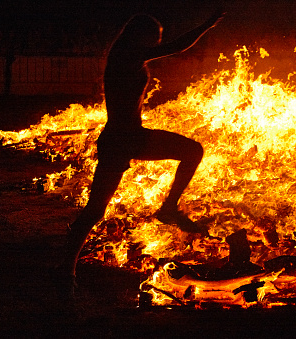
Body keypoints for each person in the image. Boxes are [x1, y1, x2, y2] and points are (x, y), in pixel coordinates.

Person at [52, 11, 224, 301]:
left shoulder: (125, 53)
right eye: (153, 38)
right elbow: (176, 47)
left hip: (127, 138)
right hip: (124, 139)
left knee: (191, 151)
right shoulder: (126, 54)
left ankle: (66, 272)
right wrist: (206, 24)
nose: (156, 43)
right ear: (139, 35)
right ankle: (66, 272)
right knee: (94, 211)